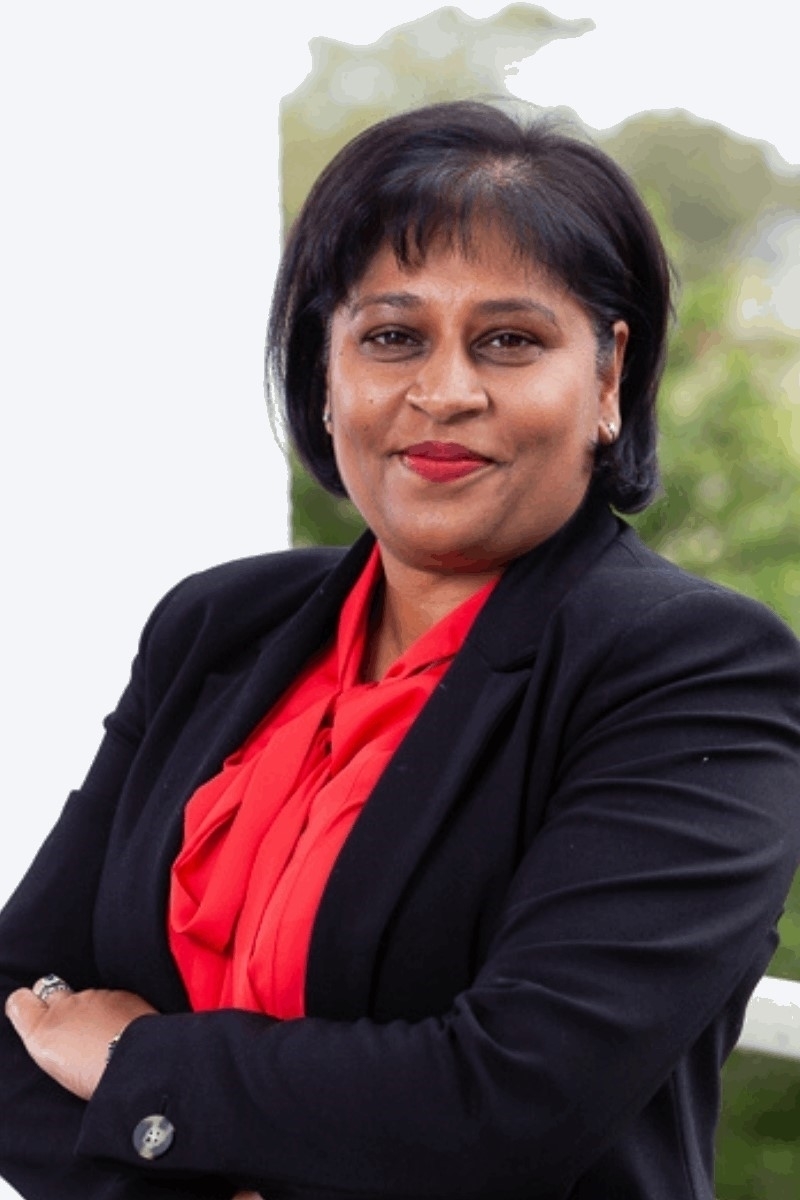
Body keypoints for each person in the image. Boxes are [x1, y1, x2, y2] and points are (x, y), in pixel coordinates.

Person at [1, 99, 799, 1200]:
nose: (445, 392)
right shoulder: (215, 626)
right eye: (391, 337)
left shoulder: (692, 669)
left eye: (509, 341)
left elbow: (511, 1097)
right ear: (324, 374)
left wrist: (140, 1067)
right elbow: (14, 1006)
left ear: (607, 378)